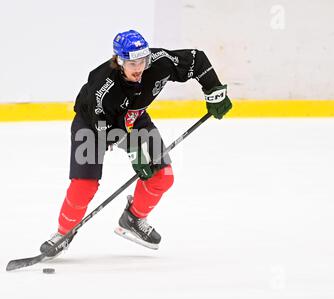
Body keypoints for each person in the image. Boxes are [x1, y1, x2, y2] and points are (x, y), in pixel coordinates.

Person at [40, 29, 232, 257]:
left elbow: (196, 60)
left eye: (142, 60)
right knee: (85, 185)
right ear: (118, 61)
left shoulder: (159, 62)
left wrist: (213, 90)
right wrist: (136, 154)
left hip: (134, 117)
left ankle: (134, 218)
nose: (139, 68)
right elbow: (108, 132)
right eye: (132, 63)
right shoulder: (104, 89)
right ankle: (63, 233)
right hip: (93, 125)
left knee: (162, 176)